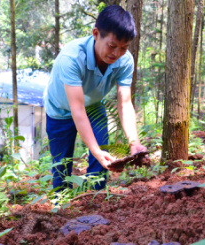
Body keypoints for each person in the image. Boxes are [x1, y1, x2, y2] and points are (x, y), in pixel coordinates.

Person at [44, 5, 147, 192]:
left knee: (102, 158)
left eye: (123, 48)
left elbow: (124, 103)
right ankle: (60, 206)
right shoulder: (72, 57)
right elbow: (77, 109)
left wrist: (134, 142)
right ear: (96, 34)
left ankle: (96, 198)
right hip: (59, 110)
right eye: (112, 46)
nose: (116, 54)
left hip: (92, 106)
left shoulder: (125, 60)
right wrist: (95, 150)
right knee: (61, 166)